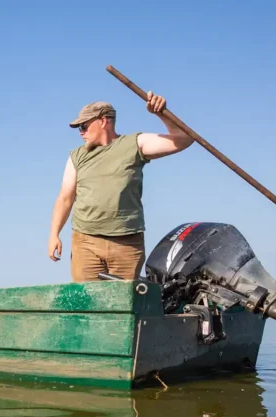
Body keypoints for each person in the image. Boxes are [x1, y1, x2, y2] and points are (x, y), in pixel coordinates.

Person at [48, 93, 193, 282]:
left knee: (123, 306)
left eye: (84, 126)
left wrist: (161, 113)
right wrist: (54, 234)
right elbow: (65, 198)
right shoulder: (77, 156)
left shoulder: (134, 144)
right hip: (85, 242)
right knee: (87, 305)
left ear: (103, 121)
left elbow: (184, 139)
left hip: (127, 243)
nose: (81, 132)